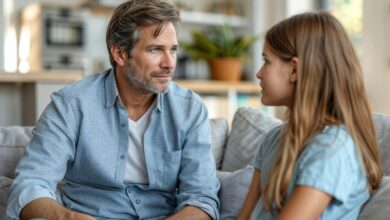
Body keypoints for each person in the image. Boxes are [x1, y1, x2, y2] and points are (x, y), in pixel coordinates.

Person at [6, 0, 220, 219]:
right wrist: (71, 218)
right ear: (119, 54)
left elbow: (201, 198)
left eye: (173, 50)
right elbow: (30, 185)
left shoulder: (189, 110)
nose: (169, 63)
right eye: (155, 50)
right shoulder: (71, 105)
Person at [238, 12, 383, 220]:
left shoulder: (332, 148)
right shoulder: (273, 139)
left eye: (266, 61)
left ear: (294, 70)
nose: (258, 73)